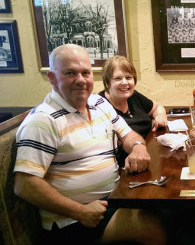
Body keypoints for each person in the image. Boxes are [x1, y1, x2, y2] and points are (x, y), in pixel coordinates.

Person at [13, 44, 166, 244]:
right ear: (52, 78)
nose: (81, 80)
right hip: (74, 221)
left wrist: (138, 148)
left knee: (167, 209)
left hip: (115, 199)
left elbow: (128, 135)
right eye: (70, 73)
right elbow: (24, 185)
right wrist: (81, 211)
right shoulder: (42, 121)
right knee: (150, 227)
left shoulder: (98, 103)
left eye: (85, 72)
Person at [99, 55, 167, 139]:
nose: (124, 82)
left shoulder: (133, 96)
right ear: (107, 82)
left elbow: (157, 107)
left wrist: (160, 116)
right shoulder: (100, 106)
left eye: (128, 77)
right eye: (118, 78)